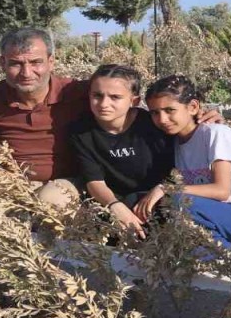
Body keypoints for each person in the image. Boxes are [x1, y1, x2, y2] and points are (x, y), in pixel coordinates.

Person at [0, 27, 224, 208]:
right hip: (9, 182)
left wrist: (198, 117)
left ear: (51, 60)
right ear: (1, 62)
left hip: (70, 181)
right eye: (15, 64)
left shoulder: (80, 92)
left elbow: (128, 99)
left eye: (35, 62)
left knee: (51, 201)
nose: (26, 72)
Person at [137, 75, 231, 249]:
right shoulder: (174, 142)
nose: (162, 119)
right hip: (214, 210)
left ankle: (228, 257)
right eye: (155, 113)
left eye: (170, 110)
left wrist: (165, 188)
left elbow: (221, 190)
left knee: (178, 201)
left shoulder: (215, 134)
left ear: (193, 107)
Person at [69, 64, 172, 238]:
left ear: (134, 101)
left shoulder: (152, 123)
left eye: (115, 97)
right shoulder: (81, 132)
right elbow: (94, 181)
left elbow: (178, 168)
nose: (104, 104)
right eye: (97, 95)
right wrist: (114, 205)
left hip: (155, 198)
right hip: (112, 201)